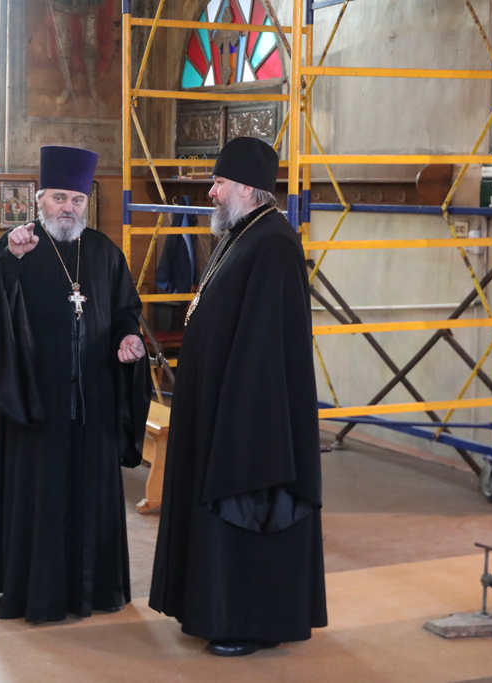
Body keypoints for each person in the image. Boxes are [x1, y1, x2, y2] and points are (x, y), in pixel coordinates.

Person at [149, 137, 327, 656]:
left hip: (251, 415)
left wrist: (238, 413)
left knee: (246, 508)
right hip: (219, 405)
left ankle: (252, 622)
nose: (211, 192)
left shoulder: (274, 244)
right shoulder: (240, 235)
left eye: (219, 183)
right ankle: (216, 611)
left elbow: (267, 346)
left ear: (247, 188)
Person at [0, 145, 151, 623]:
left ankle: (95, 590)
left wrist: (128, 337)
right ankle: (38, 593)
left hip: (94, 399)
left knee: (91, 493)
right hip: (38, 400)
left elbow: (125, 310)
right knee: (41, 494)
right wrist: (8, 261)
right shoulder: (19, 245)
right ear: (39, 199)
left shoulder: (104, 252)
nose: (68, 208)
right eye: (59, 198)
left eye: (77, 200)